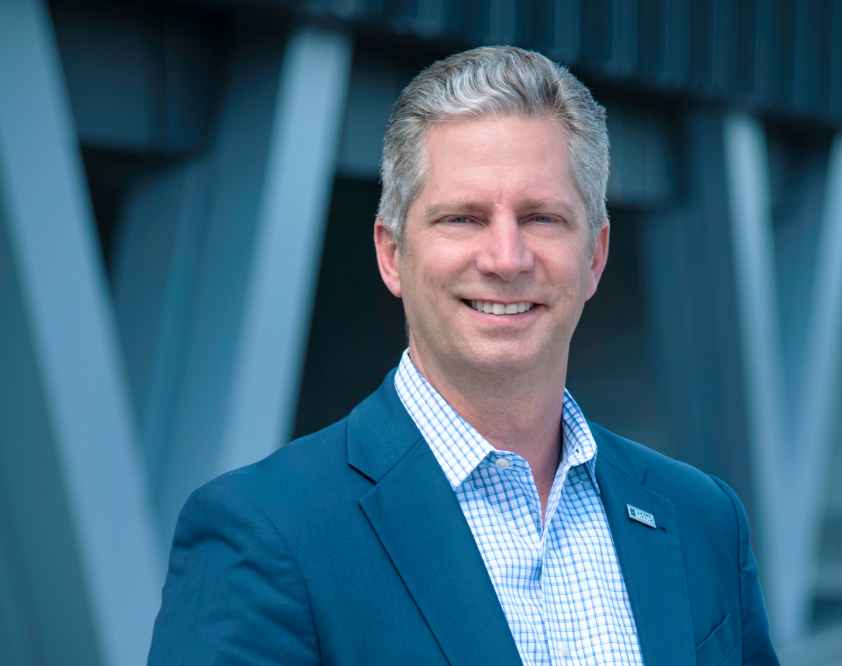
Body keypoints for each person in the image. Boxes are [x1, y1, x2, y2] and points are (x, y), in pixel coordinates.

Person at [148, 46, 779, 666]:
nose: (506, 259)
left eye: (542, 217)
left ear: (594, 256)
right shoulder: (264, 532)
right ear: (393, 254)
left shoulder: (702, 518)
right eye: (462, 218)